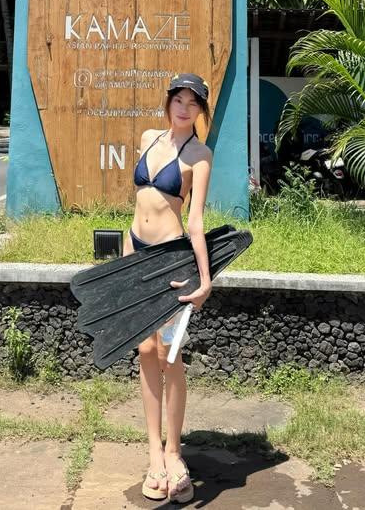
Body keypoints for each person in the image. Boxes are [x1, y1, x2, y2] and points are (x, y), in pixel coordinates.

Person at [125, 73, 213, 503]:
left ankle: (175, 453)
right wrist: (123, 265)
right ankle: (154, 454)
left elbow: (195, 222)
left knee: (169, 355)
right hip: (135, 257)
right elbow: (138, 203)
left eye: (192, 103)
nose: (184, 108)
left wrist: (205, 279)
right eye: (179, 100)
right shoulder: (148, 138)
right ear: (169, 102)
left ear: (200, 112)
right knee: (144, 350)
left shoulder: (199, 155)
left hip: (171, 262)